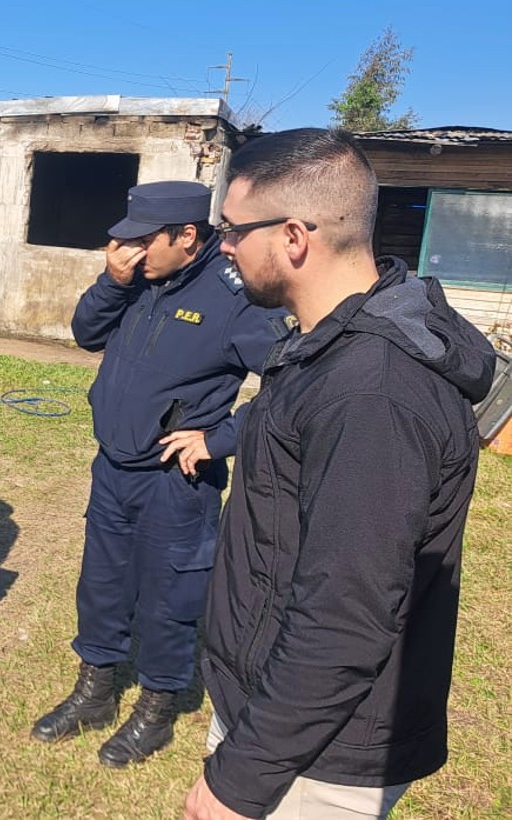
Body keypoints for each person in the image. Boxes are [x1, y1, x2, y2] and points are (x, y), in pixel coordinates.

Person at [183, 128, 496, 819]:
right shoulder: (326, 342)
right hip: (280, 716)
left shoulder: (372, 394)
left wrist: (243, 779)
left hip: (319, 758)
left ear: (294, 237)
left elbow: (343, 617)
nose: (222, 247)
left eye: (233, 230)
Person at [32, 181, 288, 767]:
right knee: (101, 584)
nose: (132, 252)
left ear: (187, 237)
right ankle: (94, 692)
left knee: (170, 598)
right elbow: (86, 333)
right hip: (113, 468)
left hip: (176, 481)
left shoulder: (235, 297)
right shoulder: (136, 281)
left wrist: (219, 438)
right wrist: (113, 282)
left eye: (145, 242)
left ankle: (155, 709)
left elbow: (293, 380)